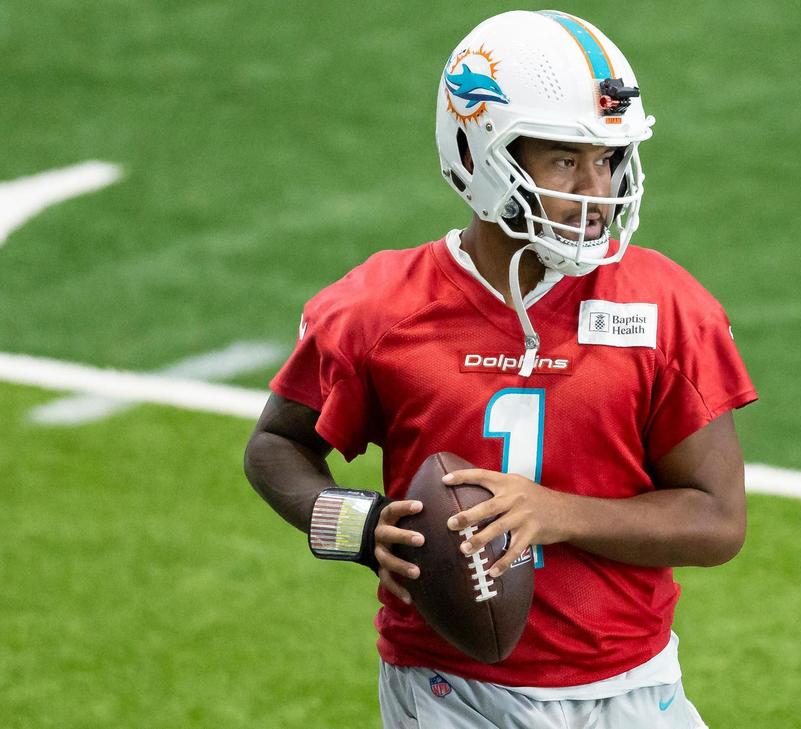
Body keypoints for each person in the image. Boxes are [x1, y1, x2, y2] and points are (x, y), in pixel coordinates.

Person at [244, 9, 756, 728]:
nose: (597, 190)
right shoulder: (379, 308)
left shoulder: (667, 305)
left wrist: (557, 513)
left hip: (636, 688)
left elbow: (719, 519)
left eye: (608, 159)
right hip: (451, 693)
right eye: (565, 160)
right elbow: (275, 445)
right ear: (482, 155)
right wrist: (356, 528)